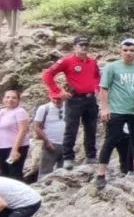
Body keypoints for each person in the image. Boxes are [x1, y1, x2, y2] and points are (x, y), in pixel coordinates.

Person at [42, 36, 101, 169]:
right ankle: (68, 157)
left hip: (90, 99)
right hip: (74, 99)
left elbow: (97, 76)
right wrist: (57, 91)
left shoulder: (92, 62)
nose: (84, 47)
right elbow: (47, 75)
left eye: (86, 45)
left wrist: (96, 87)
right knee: (71, 129)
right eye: (81, 45)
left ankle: (91, 156)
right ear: (74, 46)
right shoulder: (67, 61)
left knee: (91, 128)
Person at [97, 38, 134, 187]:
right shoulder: (112, 67)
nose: (128, 53)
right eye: (125, 50)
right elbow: (104, 88)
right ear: (120, 51)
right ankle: (101, 174)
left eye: (131, 50)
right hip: (117, 109)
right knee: (111, 140)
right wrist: (104, 108)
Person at [0, 89, 30, 180]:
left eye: (14, 98)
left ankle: (19, 193)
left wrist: (15, 149)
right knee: (4, 173)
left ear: (18, 100)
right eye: (7, 97)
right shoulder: (1, 111)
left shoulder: (20, 112)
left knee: (14, 173)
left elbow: (23, 130)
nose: (10, 100)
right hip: (0, 147)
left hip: (15, 147)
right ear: (3, 99)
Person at [32, 90, 67, 178]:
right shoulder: (44, 108)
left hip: (67, 144)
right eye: (54, 98)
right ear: (50, 96)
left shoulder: (68, 106)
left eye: (59, 98)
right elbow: (36, 126)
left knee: (64, 172)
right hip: (50, 144)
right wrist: (47, 141)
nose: (56, 101)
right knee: (45, 172)